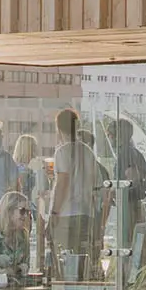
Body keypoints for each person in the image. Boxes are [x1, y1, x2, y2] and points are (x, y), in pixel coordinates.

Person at [46, 106, 105, 279]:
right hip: (86, 213)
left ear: (58, 128)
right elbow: (97, 187)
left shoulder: (62, 151)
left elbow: (62, 183)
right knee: (82, 261)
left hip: (66, 214)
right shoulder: (88, 152)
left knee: (65, 262)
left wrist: (54, 212)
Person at [106, 117, 146, 239]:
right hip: (130, 205)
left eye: (110, 135)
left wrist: (129, 192)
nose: (109, 139)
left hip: (129, 207)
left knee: (128, 242)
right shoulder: (132, 153)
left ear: (118, 136)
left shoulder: (126, 154)